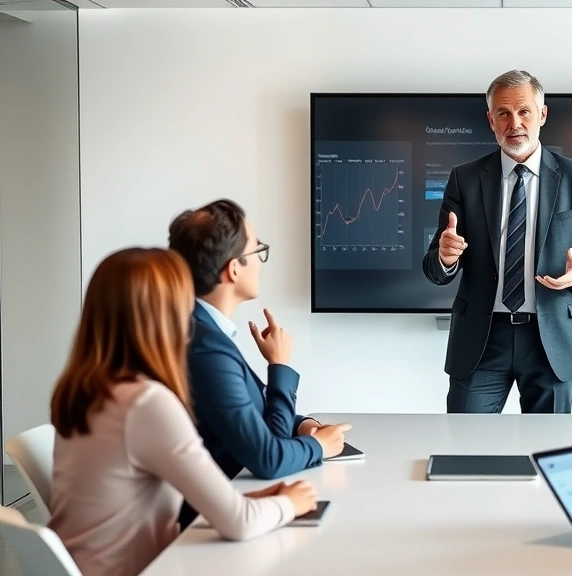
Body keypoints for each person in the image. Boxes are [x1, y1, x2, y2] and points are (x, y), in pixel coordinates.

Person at [47, 248, 318, 576]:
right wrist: (292, 503)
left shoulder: (85, 392)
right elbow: (240, 524)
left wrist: (254, 500)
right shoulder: (146, 403)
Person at [422, 70, 572, 414]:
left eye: (524, 111)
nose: (515, 123)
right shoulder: (464, 179)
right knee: (467, 448)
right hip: (482, 340)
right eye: (503, 113)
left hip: (552, 339)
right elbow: (435, 268)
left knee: (550, 452)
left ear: (542, 114)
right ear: (491, 120)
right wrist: (445, 257)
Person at [168, 199, 347, 527]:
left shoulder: (200, 330)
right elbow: (269, 455)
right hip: (202, 527)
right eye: (257, 251)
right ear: (233, 269)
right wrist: (317, 445)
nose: (261, 262)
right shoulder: (205, 347)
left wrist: (303, 424)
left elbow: (257, 414)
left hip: (226, 504)